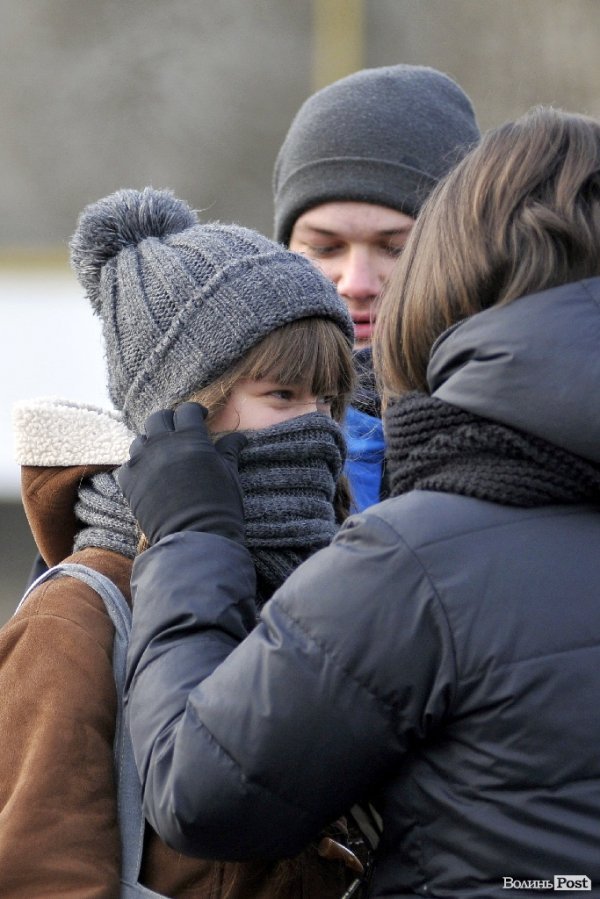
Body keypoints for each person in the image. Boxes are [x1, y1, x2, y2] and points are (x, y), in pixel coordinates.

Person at [120, 107, 600, 896]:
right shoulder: (83, 599)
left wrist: (188, 538)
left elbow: (199, 789)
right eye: (282, 393)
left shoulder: (419, 559)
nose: (358, 283)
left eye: (399, 247)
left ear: (448, 274)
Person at [0, 187, 367, 897]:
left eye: (329, 400)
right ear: (185, 412)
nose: (318, 426)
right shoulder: (75, 619)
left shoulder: (329, 585)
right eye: (284, 395)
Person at [273, 63, 480, 510]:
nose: (357, 283)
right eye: (324, 248)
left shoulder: (539, 430)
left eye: (397, 249)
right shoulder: (212, 431)